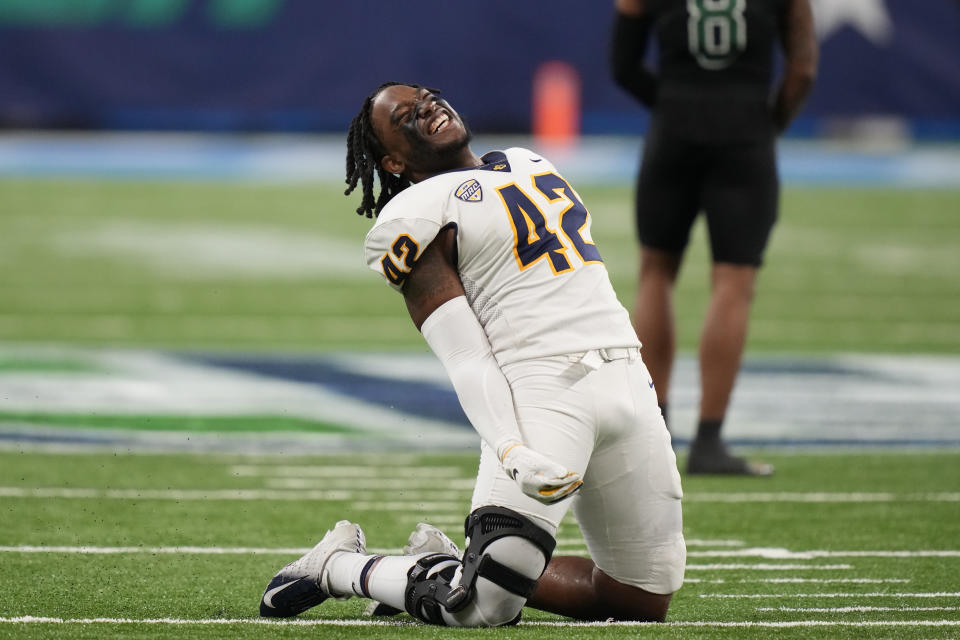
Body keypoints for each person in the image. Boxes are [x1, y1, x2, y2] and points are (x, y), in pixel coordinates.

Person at [258, 82, 686, 626]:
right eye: (406, 116)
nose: (428, 108)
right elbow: (464, 354)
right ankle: (339, 566)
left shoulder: (528, 160)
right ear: (391, 159)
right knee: (482, 607)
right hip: (542, 389)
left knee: (638, 600)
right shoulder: (412, 214)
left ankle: (442, 563)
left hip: (626, 372)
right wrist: (510, 447)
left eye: (428, 98)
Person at [610, 0, 818, 475]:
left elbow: (622, 65)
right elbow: (802, 70)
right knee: (734, 280)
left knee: (656, 273)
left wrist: (672, 104)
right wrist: (767, 123)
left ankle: (654, 435)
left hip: (673, 130)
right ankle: (708, 440)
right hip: (745, 133)